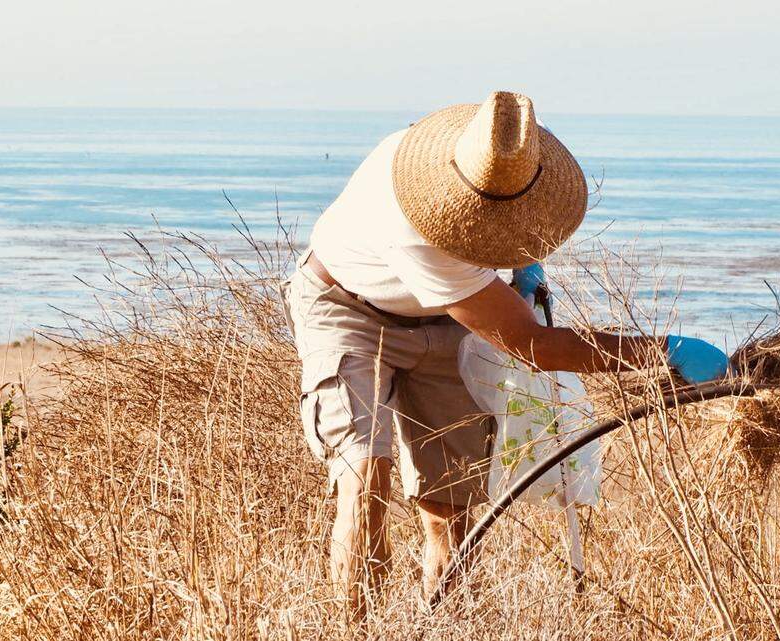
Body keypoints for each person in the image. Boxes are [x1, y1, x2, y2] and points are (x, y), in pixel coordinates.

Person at [282, 91, 729, 619]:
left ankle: (444, 623)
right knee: (365, 477)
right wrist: (662, 351)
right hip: (348, 311)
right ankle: (357, 629)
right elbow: (536, 346)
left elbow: (507, 223)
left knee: (451, 504)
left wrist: (525, 262)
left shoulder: (484, 164)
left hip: (448, 316)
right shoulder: (413, 223)